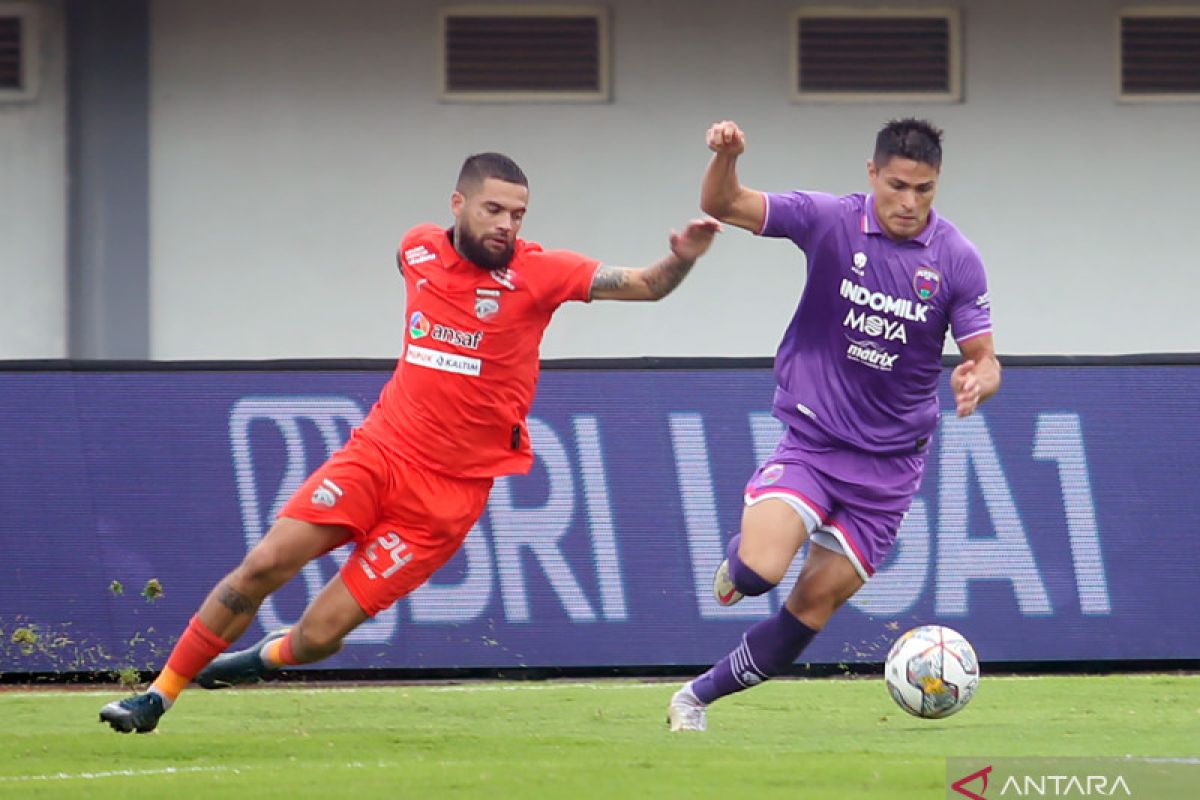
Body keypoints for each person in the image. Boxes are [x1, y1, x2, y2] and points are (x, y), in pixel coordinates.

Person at [100, 152, 720, 733]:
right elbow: (416, 270)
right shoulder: (417, 248)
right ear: (459, 204)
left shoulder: (539, 274)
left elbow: (645, 283)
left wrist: (683, 259)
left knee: (318, 637)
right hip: (378, 456)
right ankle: (158, 695)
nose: (507, 225)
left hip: (444, 503)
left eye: (518, 214)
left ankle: (257, 659)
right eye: (494, 210)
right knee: (263, 565)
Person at [666, 119, 1000, 732]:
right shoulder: (828, 219)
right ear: (872, 174)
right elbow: (721, 203)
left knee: (811, 608)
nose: (909, 202)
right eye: (898, 185)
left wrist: (978, 377)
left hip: (891, 469)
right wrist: (728, 157)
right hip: (815, 443)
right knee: (756, 575)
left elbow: (986, 356)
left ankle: (693, 699)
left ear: (937, 184)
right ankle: (738, 562)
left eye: (924, 189)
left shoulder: (956, 259)